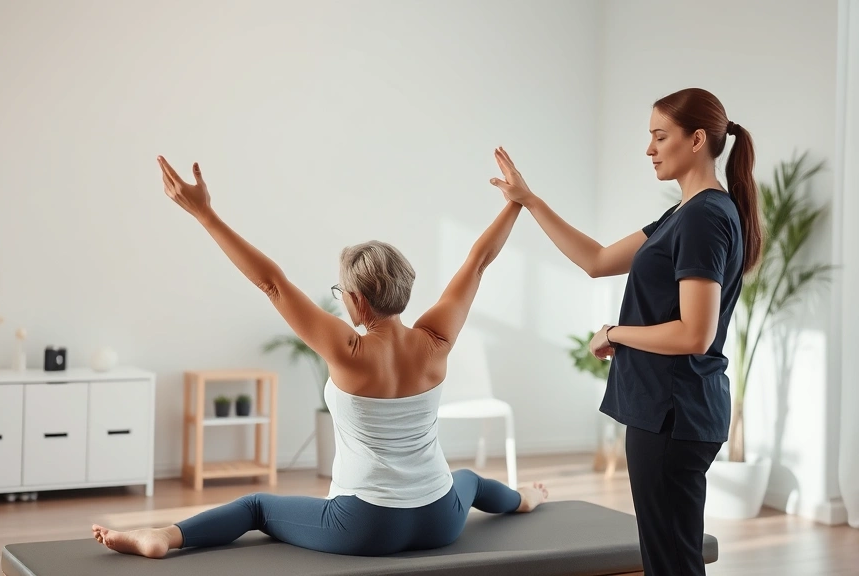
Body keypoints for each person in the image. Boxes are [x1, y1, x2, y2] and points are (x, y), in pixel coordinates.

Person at [91, 155, 550, 559]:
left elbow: (271, 283)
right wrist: (518, 200)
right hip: (441, 519)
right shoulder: (436, 341)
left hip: (365, 526)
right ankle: (523, 498)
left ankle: (164, 537)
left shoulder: (348, 351)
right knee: (467, 478)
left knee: (256, 507)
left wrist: (204, 214)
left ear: (356, 301)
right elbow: (478, 260)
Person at [489, 87, 759, 576]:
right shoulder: (684, 215)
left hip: (672, 413)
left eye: (660, 136)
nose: (649, 149)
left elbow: (695, 333)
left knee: (671, 563)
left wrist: (616, 333)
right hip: (671, 410)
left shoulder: (702, 218)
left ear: (697, 139)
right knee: (669, 558)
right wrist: (529, 201)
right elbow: (595, 261)